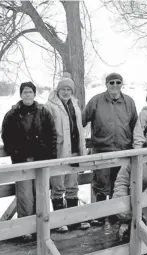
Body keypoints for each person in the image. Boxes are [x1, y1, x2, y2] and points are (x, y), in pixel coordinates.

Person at [2, 82, 57, 242]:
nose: (27, 95)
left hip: (40, 160)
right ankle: (25, 229)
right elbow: (6, 136)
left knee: (40, 193)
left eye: (30, 92)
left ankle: (41, 227)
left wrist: (49, 155)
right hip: (22, 161)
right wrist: (17, 153)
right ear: (21, 94)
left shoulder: (43, 112)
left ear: (34, 94)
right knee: (25, 195)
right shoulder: (12, 114)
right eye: (25, 92)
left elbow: (52, 134)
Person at [82, 73, 138, 226]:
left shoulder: (129, 102)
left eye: (118, 82)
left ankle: (115, 214)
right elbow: (81, 120)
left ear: (121, 84)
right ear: (106, 84)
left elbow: (135, 125)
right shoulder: (96, 101)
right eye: (111, 82)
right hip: (102, 149)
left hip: (123, 149)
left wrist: (136, 147)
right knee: (100, 183)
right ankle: (99, 215)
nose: (115, 85)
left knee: (119, 182)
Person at [45, 73, 89, 232]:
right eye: (62, 89)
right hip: (59, 151)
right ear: (58, 90)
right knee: (58, 186)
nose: (65, 92)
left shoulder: (75, 105)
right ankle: (58, 221)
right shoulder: (49, 106)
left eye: (68, 89)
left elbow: (79, 128)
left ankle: (73, 220)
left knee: (72, 186)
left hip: (75, 151)